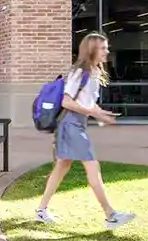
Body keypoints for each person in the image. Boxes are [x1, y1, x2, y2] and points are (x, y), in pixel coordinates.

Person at [33, 32, 136, 230]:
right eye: (103, 48)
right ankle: (111, 216)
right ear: (92, 50)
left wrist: (101, 114)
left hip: (75, 125)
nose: (107, 51)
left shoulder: (94, 72)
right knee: (92, 166)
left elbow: (87, 102)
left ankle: (41, 210)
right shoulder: (80, 72)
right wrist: (93, 112)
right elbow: (66, 101)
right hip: (70, 126)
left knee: (62, 166)